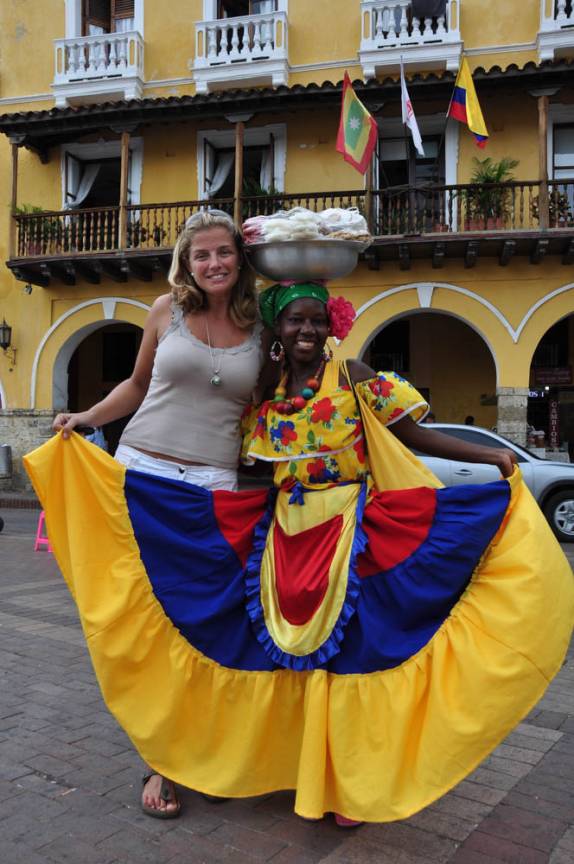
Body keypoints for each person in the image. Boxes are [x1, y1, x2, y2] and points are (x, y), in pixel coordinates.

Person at [28, 282, 572, 827]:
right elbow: (246, 461)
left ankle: (348, 784)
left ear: (331, 325)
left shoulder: (353, 376)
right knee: (283, 661)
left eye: (316, 320)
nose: (306, 330)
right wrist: (167, 496)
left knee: (351, 657)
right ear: (279, 333)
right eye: (294, 322)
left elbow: (412, 436)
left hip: (353, 534)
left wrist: (491, 456)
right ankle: (259, 763)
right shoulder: (268, 393)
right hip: (283, 536)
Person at [52, 209, 264, 818]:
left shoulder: (261, 326)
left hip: (214, 488)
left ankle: (199, 746)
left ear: (239, 258)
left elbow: (276, 403)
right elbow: (137, 385)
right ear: (187, 261)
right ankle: (162, 760)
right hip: (143, 476)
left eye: (224, 252)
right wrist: (88, 417)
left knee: (202, 626)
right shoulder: (164, 311)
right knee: (149, 626)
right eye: (202, 255)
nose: (214, 264)